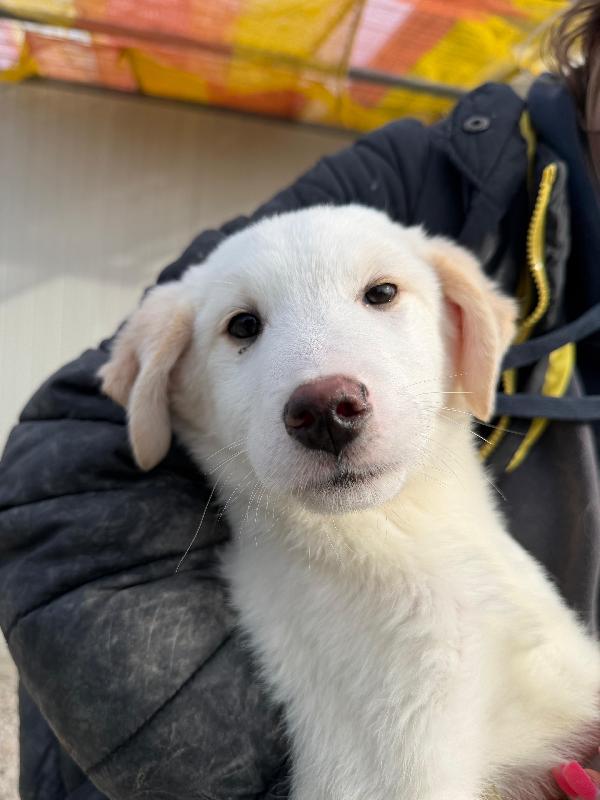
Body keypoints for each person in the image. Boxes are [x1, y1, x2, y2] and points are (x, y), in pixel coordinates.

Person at [1, 2, 600, 798]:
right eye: (244, 327)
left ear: (467, 327)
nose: (323, 390)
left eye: (380, 295)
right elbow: (63, 478)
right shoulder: (430, 173)